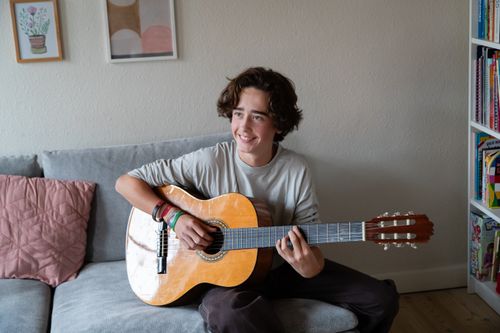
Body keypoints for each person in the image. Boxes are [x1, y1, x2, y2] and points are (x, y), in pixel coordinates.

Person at [115, 67, 399, 333]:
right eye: (238, 114)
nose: (243, 127)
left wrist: (307, 265)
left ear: (279, 124)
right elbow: (126, 183)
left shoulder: (296, 170)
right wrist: (175, 217)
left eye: (258, 117)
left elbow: (312, 254)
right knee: (229, 313)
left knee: (381, 299)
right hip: (225, 280)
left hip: (280, 269)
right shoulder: (209, 161)